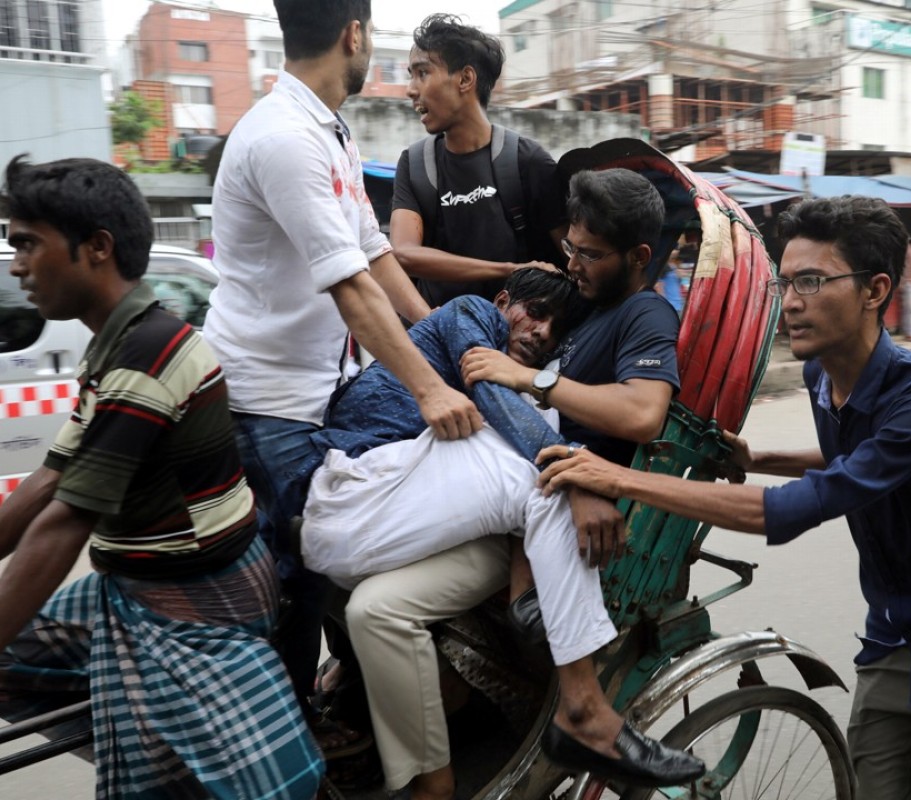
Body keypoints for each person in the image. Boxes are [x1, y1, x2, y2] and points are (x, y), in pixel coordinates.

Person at [538, 195, 911, 800]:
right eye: (785, 282)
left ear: (876, 289)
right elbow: (854, 458)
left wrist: (618, 479)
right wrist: (759, 456)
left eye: (811, 281)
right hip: (891, 633)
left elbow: (787, 510)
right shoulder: (821, 374)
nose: (793, 302)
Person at [340, 168, 692, 800]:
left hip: (553, 507)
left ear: (638, 257)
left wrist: (532, 381)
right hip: (501, 505)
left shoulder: (645, 312)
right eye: (571, 249)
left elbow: (643, 415)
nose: (575, 264)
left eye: (591, 254)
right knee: (361, 606)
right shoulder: (582, 316)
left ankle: (562, 716)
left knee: (380, 604)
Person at [0, 156, 323, 798]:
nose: (17, 266)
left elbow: (62, 524)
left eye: (29, 244)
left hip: (194, 603)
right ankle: (159, 745)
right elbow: (45, 482)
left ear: (96, 248)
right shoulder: (117, 347)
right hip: (138, 586)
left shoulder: (147, 356)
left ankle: (168, 756)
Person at [204, 0, 482, 719]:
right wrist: (430, 391)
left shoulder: (328, 133)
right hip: (267, 405)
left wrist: (443, 337)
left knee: (327, 574)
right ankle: (288, 748)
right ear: (353, 35)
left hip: (319, 393)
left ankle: (334, 710)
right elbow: (352, 286)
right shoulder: (283, 139)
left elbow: (376, 254)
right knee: (292, 587)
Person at [390, 13, 566, 308]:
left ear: (465, 79)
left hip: (516, 347)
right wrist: (508, 270)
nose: (411, 89)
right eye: (411, 75)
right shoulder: (415, 164)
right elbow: (405, 254)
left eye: (422, 73)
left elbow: (573, 260)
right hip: (437, 341)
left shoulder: (527, 161)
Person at [655, 248, 687, 315]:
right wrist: (663, 304)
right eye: (673, 249)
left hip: (678, 305)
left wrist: (680, 277)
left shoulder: (674, 266)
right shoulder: (663, 266)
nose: (676, 252)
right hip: (669, 305)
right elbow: (658, 286)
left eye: (677, 249)